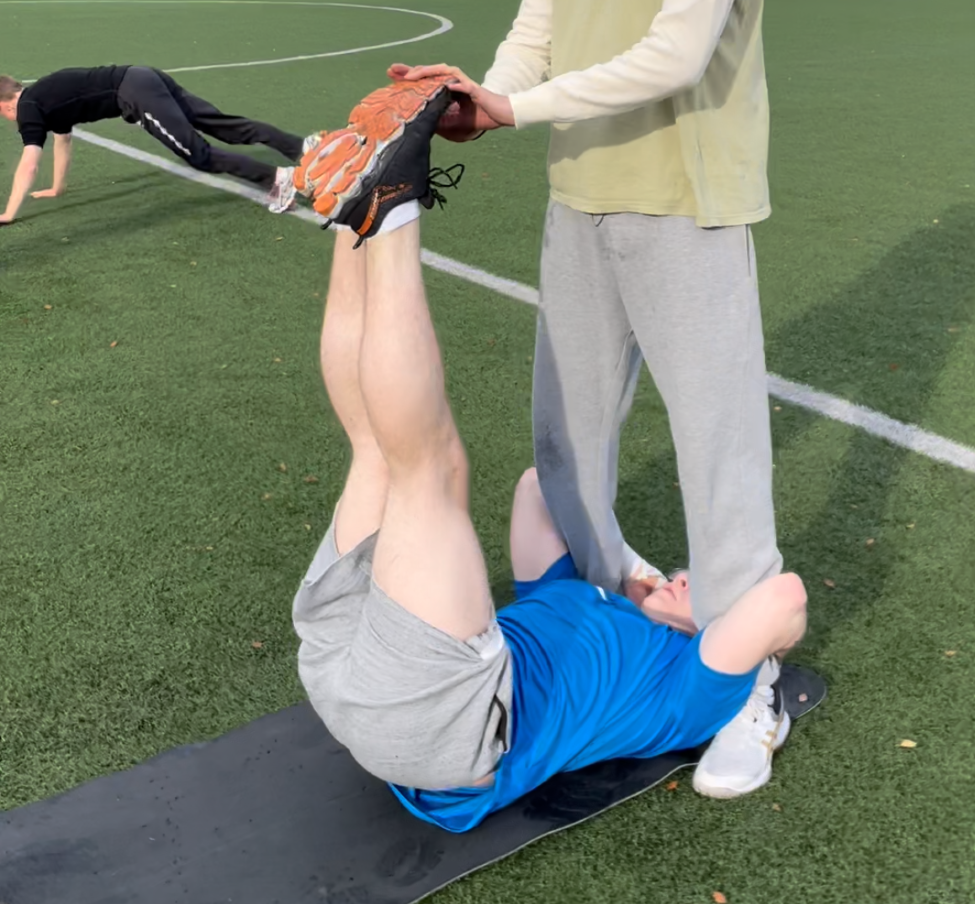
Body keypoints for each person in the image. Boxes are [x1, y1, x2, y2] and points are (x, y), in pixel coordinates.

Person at [389, 0, 784, 797]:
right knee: (564, 441)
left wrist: (518, 106)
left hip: (687, 198)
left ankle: (748, 685)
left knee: (717, 450)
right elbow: (538, 29)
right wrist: (478, 93)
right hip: (582, 199)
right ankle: (611, 611)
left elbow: (678, 51)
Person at [291, 83, 807, 830]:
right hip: (357, 661)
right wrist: (622, 571)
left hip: (443, 731)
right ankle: (356, 220)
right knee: (376, 451)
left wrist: (746, 648)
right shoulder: (579, 599)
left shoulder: (693, 691)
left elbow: (779, 599)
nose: (684, 574)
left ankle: (391, 205)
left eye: (695, 586)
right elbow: (540, 490)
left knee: (426, 473)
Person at [0, 65, 316, 223]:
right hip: (142, 75)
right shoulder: (41, 97)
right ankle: (304, 147)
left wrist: (8, 213)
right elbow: (63, 139)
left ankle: (280, 180)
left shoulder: (28, 109)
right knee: (221, 125)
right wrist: (57, 188)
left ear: (4, 103)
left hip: (134, 93)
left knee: (199, 155)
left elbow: (29, 164)